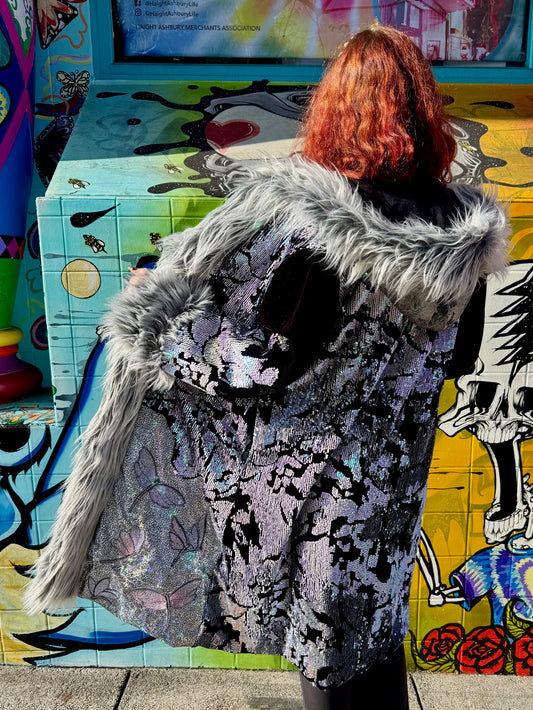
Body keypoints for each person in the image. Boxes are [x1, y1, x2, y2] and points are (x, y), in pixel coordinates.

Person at [24, 25, 509, 710]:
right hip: (390, 503)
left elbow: (252, 365)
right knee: (373, 653)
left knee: (328, 669)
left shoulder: (313, 233)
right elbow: (460, 358)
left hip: (313, 513)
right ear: (427, 115)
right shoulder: (465, 236)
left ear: (336, 112)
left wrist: (161, 320)